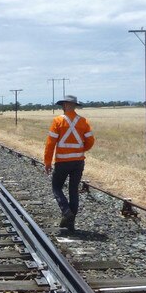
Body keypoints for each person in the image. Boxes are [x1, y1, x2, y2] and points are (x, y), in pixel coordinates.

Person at [44, 95, 95, 232]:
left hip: (62, 162)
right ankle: (70, 224)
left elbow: (50, 144)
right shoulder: (83, 121)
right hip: (78, 162)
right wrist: (81, 149)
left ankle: (66, 212)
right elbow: (90, 141)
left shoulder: (58, 121)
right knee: (73, 190)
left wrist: (47, 162)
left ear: (65, 105)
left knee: (56, 188)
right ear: (74, 106)